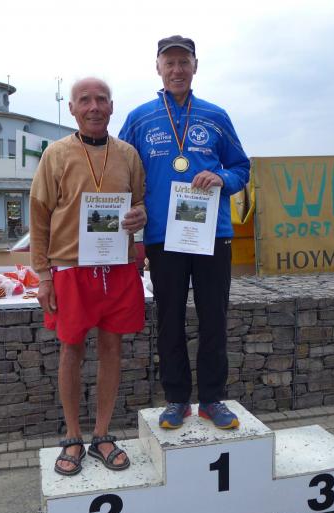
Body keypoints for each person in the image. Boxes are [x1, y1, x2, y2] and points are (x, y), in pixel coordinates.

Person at [120, 36, 250, 430]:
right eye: (169, 62)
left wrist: (222, 178)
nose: (177, 70)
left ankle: (212, 399)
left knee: (214, 318)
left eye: (184, 62)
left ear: (195, 66)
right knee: (170, 320)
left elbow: (242, 168)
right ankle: (177, 400)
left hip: (212, 234)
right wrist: (131, 209)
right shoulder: (140, 118)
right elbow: (121, 170)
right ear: (158, 68)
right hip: (162, 237)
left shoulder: (215, 115)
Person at [29, 77, 147, 475]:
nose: (94, 106)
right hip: (70, 268)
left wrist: (140, 216)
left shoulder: (128, 154)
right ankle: (73, 436)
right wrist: (43, 275)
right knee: (71, 350)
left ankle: (101, 434)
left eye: (101, 99)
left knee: (112, 349)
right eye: (85, 100)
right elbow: (39, 215)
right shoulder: (56, 154)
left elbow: (140, 202)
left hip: (117, 266)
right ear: (73, 109)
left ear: (112, 107)